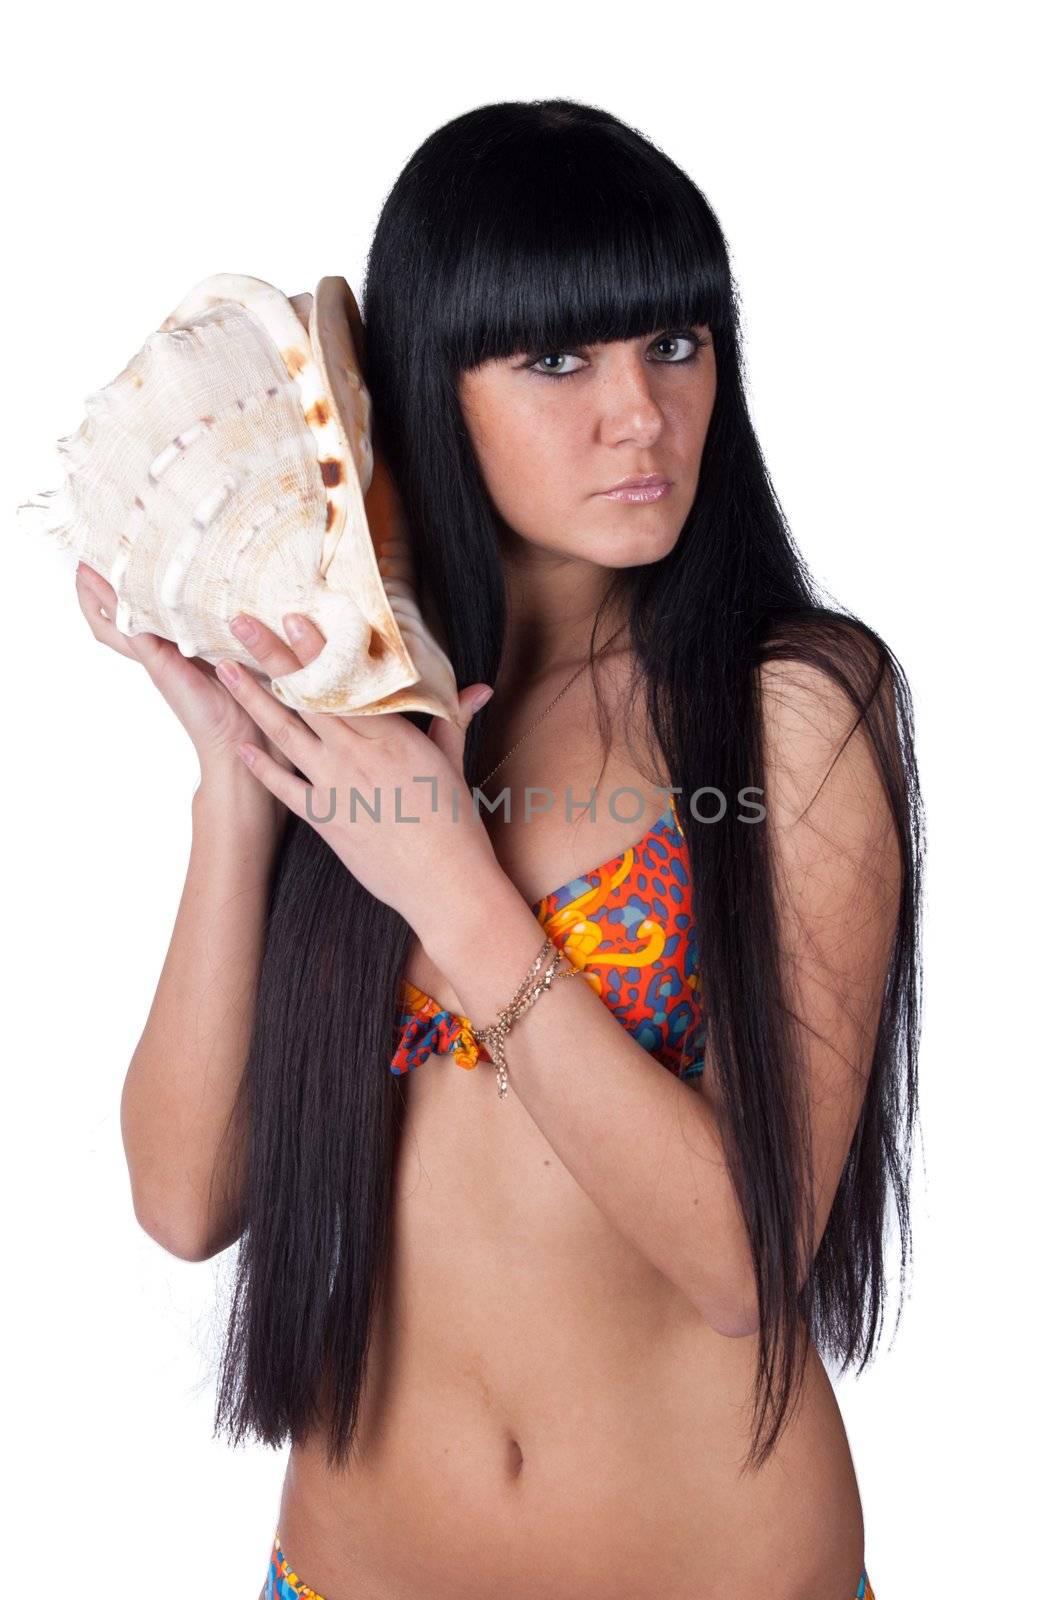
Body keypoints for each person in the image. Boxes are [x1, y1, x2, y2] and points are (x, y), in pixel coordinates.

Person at [87, 98, 922, 1600]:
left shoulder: (787, 706)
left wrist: (452, 892)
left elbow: (746, 1263)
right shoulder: (359, 706)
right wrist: (236, 786)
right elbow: (184, 1199)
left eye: (675, 343)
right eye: (555, 361)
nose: (641, 416)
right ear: (430, 384)